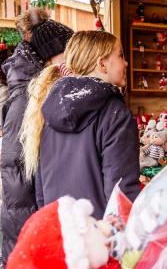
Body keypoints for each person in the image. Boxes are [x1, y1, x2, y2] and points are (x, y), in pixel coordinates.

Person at [20, 30, 141, 219]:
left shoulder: (49, 108)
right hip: (100, 239)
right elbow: (121, 196)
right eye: (120, 56)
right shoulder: (115, 113)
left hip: (62, 233)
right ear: (102, 64)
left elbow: (41, 190)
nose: (125, 63)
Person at [0, 7, 73, 265]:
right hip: (24, 218)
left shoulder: (43, 89)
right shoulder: (26, 97)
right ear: (50, 56)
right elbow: (14, 166)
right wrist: (36, 223)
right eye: (69, 52)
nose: (74, 60)